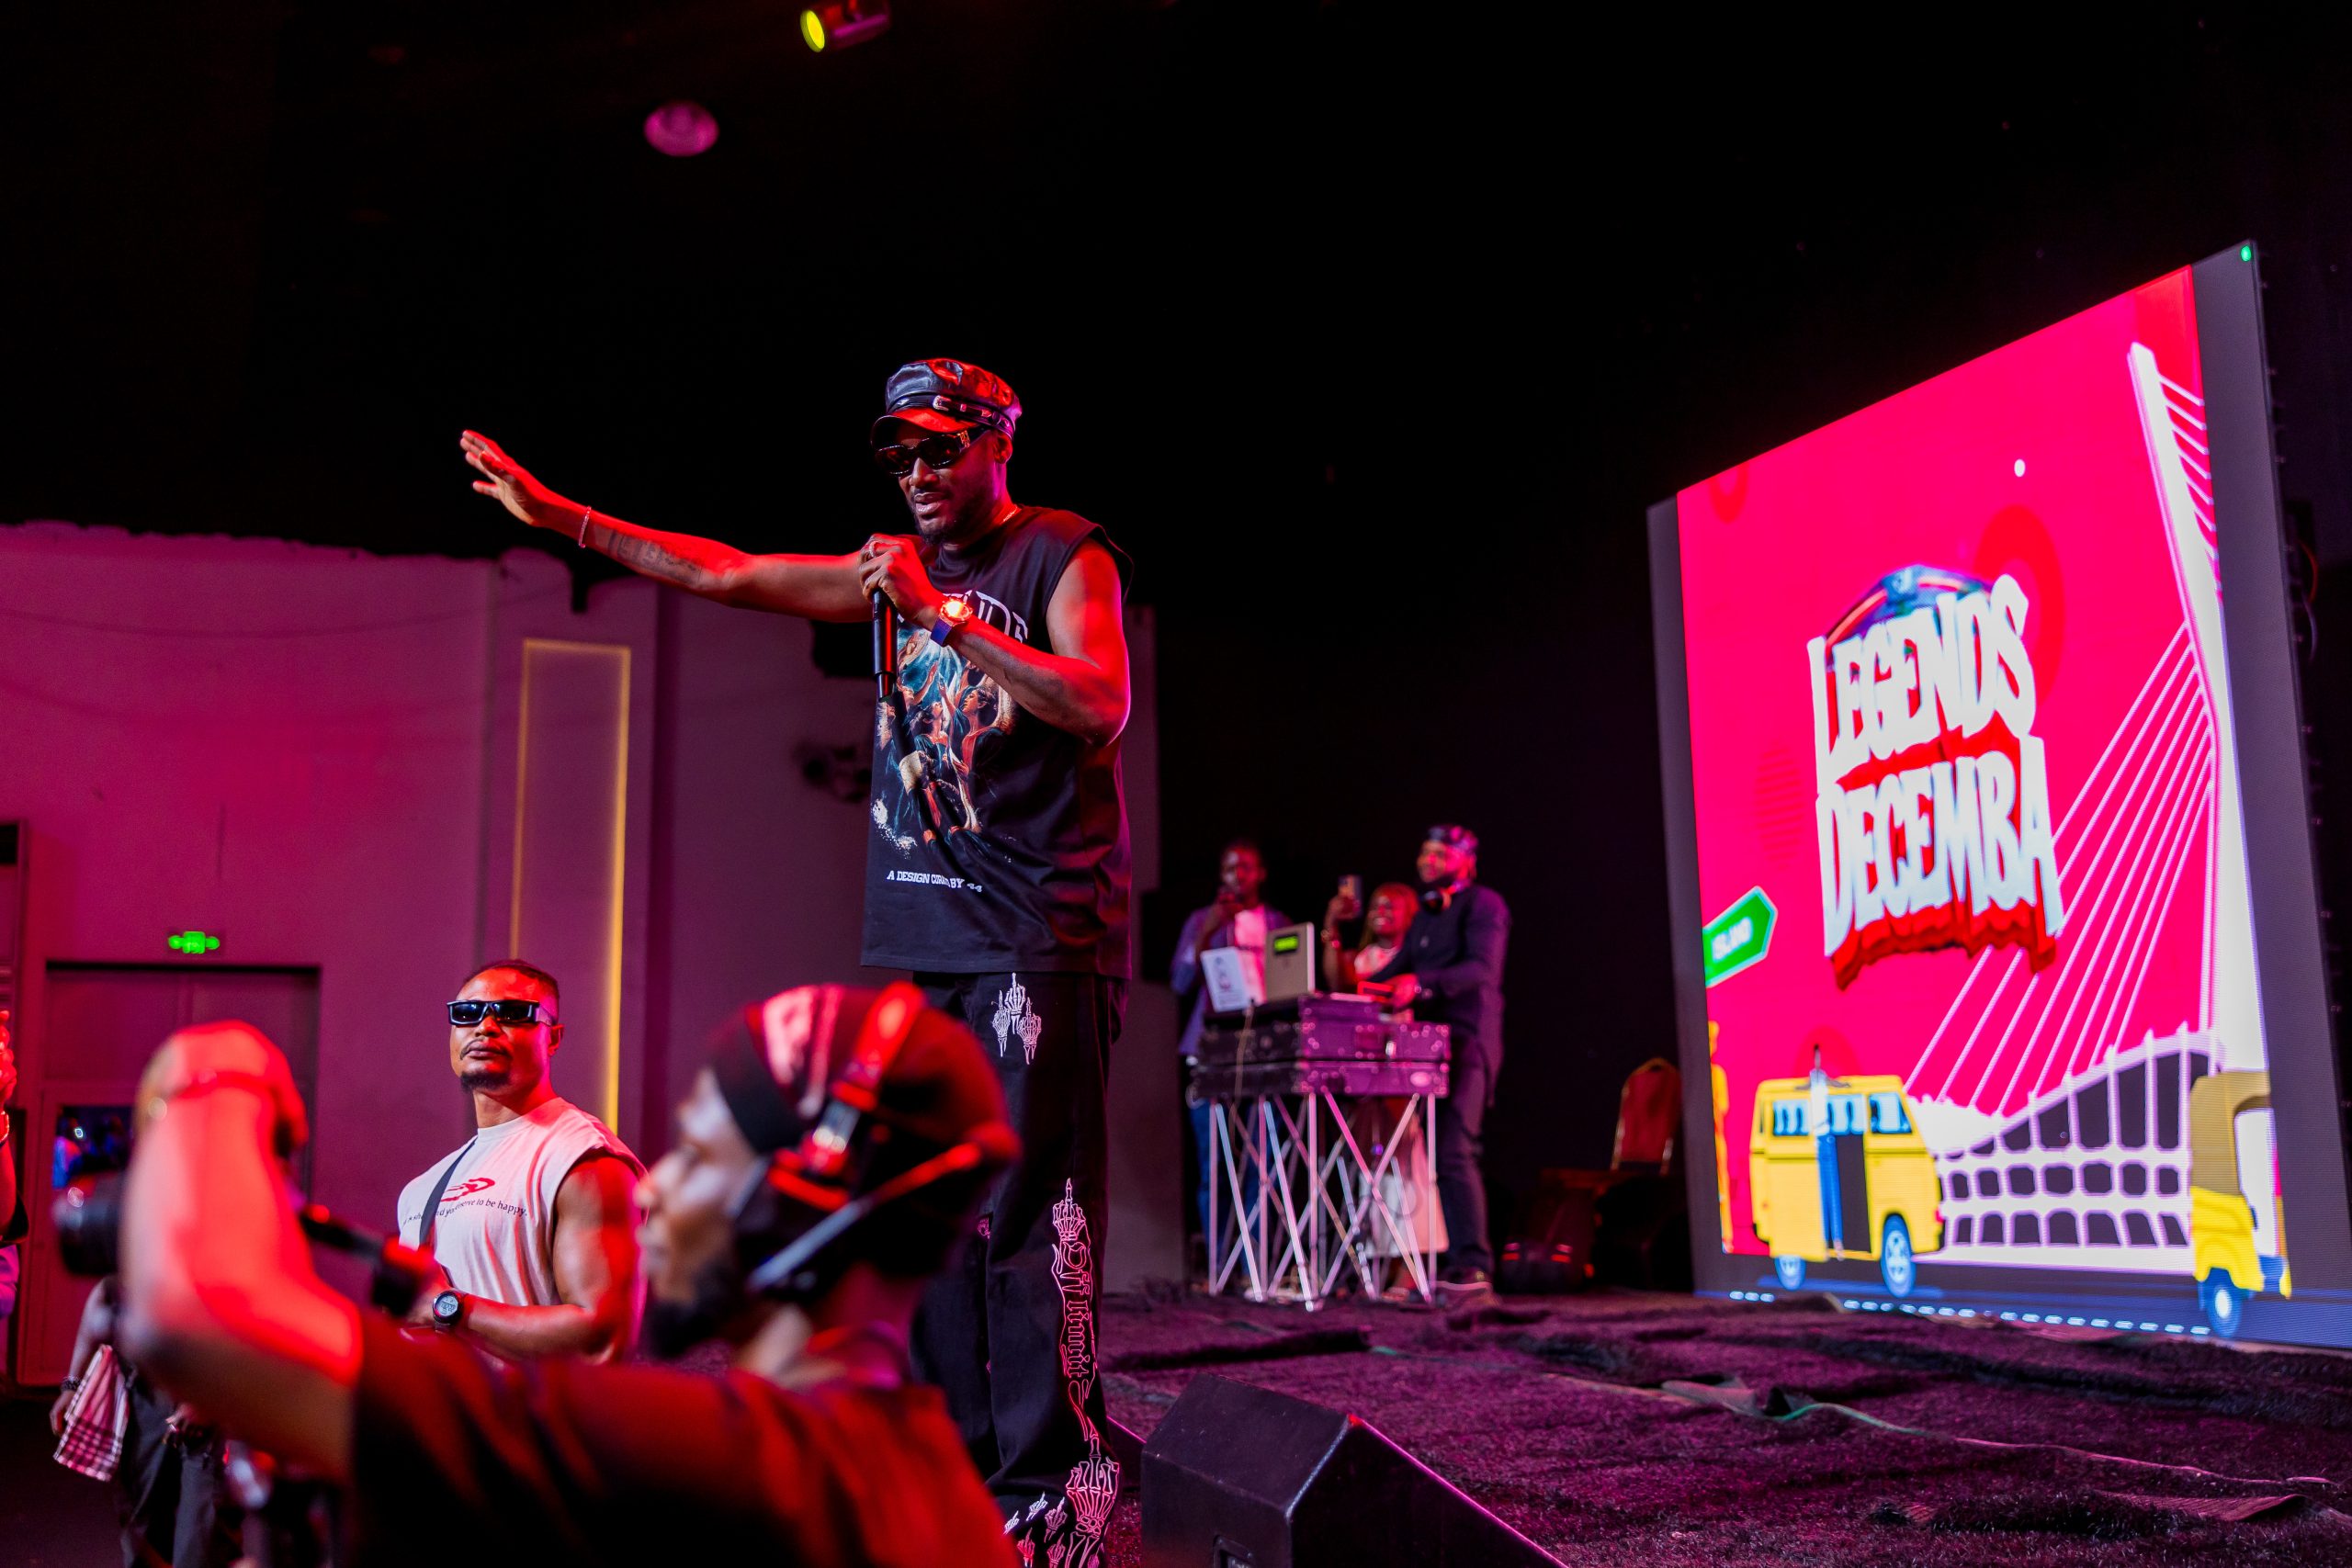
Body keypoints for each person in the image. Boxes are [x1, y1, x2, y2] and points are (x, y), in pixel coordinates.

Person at [460, 357, 1131, 1552]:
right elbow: (724, 570)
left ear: (997, 442)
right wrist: (564, 517)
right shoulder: (887, 572)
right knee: (930, 1212)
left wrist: (939, 613)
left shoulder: (1060, 552)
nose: (916, 473)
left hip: (1039, 934)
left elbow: (1099, 705)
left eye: (940, 448)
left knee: (1034, 1213)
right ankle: (964, 1470)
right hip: (930, 942)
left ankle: (1058, 1486)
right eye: (900, 454)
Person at [117, 987, 1023, 1568]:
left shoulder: (739, 1460)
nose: (652, 1189)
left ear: (800, 1198)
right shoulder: (941, 1498)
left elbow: (199, 1311)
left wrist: (216, 1068)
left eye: (697, 1154)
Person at [393, 961, 643, 1360]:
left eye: (513, 1013)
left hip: (527, 1403)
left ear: (553, 1038)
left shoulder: (583, 1158)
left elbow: (601, 1340)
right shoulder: (421, 1189)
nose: (485, 1026)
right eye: (467, 1013)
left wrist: (449, 1308)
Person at [1362, 826, 1510, 1303]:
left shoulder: (1484, 904)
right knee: (1438, 1156)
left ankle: (1474, 1267)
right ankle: (1453, 1266)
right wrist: (1343, 992)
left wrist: (1421, 985)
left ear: (1467, 860)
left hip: (1469, 1043)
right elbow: (1388, 976)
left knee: (1454, 1152)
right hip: (1430, 1050)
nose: (1428, 860)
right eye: (1424, 852)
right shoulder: (1426, 916)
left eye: (1440, 853)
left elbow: (1483, 970)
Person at [1169, 840, 1289, 1235]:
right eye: (1230, 868)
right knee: (1214, 1165)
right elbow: (1180, 981)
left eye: (1246, 867)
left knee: (1264, 1163)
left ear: (1261, 874)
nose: (1238, 875)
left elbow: (1292, 983)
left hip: (1264, 1049)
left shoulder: (1277, 923)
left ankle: (1255, 1260)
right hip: (1212, 1049)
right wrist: (1208, 930)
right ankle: (1219, 1261)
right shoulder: (1202, 920)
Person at [1320, 881, 1418, 993]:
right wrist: (1331, 924)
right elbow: (1336, 988)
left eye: (1389, 907)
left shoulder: (1419, 958)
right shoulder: (1356, 960)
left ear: (1410, 914)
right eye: (1374, 907)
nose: (1379, 912)